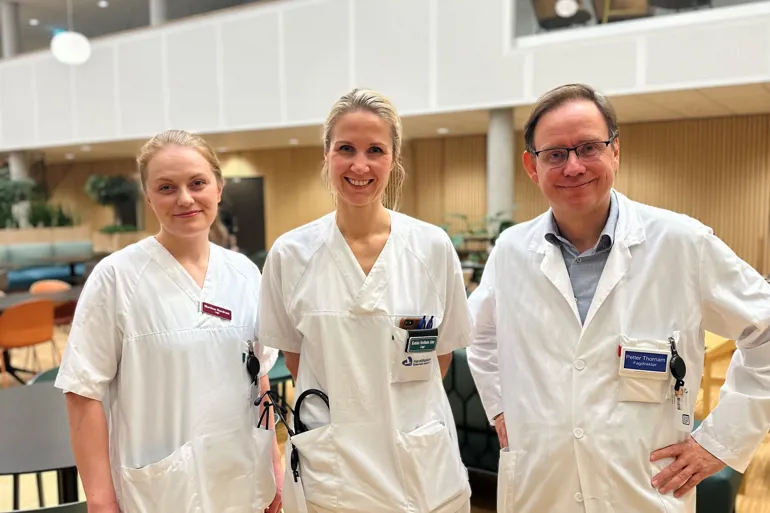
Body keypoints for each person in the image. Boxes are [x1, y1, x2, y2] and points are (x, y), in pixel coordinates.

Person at [467, 83, 770, 513]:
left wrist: (719, 442)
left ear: (615, 152)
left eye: (589, 148)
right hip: (541, 489)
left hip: (643, 491)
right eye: (555, 154)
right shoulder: (512, 250)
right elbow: (480, 337)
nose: (573, 166)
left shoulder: (681, 243)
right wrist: (500, 408)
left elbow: (765, 330)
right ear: (532, 166)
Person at [259, 88, 473, 513]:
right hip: (334, 467)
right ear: (327, 155)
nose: (360, 165)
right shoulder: (290, 254)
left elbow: (442, 355)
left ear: (393, 159)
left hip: (418, 461)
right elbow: (297, 357)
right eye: (346, 149)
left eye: (375, 150)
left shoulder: (431, 247)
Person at [54, 130, 283, 513]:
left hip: (241, 481)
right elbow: (82, 393)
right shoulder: (117, 277)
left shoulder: (244, 273)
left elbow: (257, 376)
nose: (185, 198)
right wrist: (100, 500)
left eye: (197, 183)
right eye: (166, 187)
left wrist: (272, 461)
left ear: (219, 188)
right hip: (160, 491)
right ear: (148, 197)